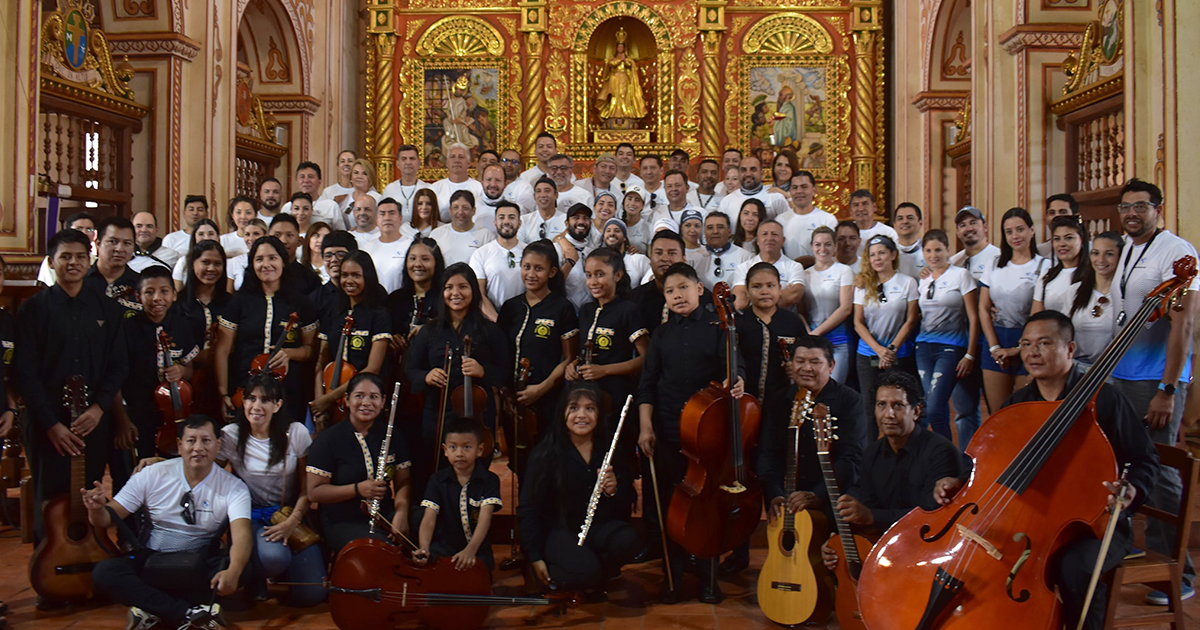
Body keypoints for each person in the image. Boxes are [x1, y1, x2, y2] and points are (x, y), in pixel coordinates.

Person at [934, 311, 1161, 628]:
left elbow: (1145, 459)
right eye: (1026, 344)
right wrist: (959, 482)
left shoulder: (1104, 400)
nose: (1032, 352)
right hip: (1029, 523)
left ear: (1069, 349)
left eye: (1044, 343)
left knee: (1075, 567)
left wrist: (1132, 491)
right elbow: (988, 464)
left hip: (1093, 524)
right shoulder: (1017, 405)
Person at [1109, 178, 1200, 604]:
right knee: (1131, 462)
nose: (1131, 213)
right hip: (1124, 375)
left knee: (1162, 468)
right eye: (1125, 206)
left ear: (1158, 208)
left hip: (1155, 380)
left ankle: (1179, 571)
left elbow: (1183, 324)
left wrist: (1168, 387)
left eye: (1140, 206)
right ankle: (1145, 548)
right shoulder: (1129, 247)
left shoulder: (1176, 252)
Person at [637, 262, 746, 603]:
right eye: (670, 291)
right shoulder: (662, 334)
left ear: (699, 289)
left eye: (683, 287)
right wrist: (645, 427)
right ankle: (673, 573)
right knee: (670, 504)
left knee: (707, 505)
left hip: (708, 434)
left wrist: (738, 379)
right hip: (669, 430)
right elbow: (647, 384)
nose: (676, 295)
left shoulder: (719, 326)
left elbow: (735, 368)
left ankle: (707, 577)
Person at [16, 228, 129, 548]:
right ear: (51, 262)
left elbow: (119, 366)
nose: (73, 263)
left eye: (80, 256)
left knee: (89, 494)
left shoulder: (108, 309)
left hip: (92, 422)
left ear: (90, 259)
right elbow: (24, 373)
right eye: (65, 256)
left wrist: (98, 408)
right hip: (46, 423)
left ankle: (91, 565)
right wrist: (51, 424)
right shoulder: (33, 310)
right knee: (48, 499)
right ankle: (49, 576)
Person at [85, 415, 248, 630]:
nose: (198, 447)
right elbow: (107, 517)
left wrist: (234, 571)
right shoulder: (152, 474)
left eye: (206, 440)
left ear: (218, 445)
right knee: (105, 573)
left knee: (245, 568)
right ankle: (189, 613)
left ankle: (151, 608)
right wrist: (96, 509)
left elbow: (242, 535)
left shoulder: (234, 487)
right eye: (191, 441)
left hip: (197, 564)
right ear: (179, 446)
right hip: (152, 560)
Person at [820, 370, 962, 573]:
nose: (889, 414)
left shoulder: (940, 451)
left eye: (898, 405)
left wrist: (872, 517)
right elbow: (867, 505)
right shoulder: (871, 454)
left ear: (916, 411)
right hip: (887, 551)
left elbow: (932, 518)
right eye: (881, 405)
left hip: (933, 555)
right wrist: (836, 541)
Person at [519, 383, 642, 595]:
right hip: (557, 531)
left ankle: (591, 575)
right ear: (562, 413)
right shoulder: (546, 453)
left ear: (599, 413)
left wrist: (613, 490)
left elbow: (627, 501)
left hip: (596, 528)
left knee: (628, 540)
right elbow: (527, 508)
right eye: (574, 408)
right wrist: (535, 556)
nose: (581, 415)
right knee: (587, 572)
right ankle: (552, 574)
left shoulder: (609, 449)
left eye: (590, 408)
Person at [758, 335, 864, 573]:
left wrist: (816, 495)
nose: (806, 368)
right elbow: (767, 453)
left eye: (815, 362)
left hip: (833, 498)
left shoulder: (850, 401)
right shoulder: (778, 401)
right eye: (800, 361)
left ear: (831, 366)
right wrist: (774, 493)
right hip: (788, 500)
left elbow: (852, 459)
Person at [218, 373, 325, 606]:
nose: (256, 406)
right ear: (243, 402)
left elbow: (307, 490)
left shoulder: (296, 433)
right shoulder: (231, 435)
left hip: (290, 512)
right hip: (251, 514)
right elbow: (206, 470)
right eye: (250, 399)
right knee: (273, 558)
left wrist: (292, 522)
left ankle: (283, 570)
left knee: (312, 595)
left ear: (277, 405)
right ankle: (256, 575)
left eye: (265, 400)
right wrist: (157, 461)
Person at [405, 263, 508, 487]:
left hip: (478, 415)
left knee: (477, 474)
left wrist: (483, 371)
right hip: (438, 414)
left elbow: (505, 372)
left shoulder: (489, 330)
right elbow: (410, 369)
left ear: (473, 290)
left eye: (463, 287)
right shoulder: (429, 331)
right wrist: (426, 376)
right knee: (435, 471)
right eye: (449, 287)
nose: (455, 293)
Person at [214, 236, 319, 425]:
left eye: (272, 258)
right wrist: (222, 393)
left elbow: (311, 349)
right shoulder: (240, 301)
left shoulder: (301, 303)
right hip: (244, 387)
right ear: (252, 264)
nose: (266, 264)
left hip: (288, 390)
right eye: (259, 259)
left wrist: (290, 353)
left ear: (283, 261)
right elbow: (222, 351)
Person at [111, 265, 199, 488]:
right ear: (138, 296)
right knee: (136, 473)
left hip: (173, 417)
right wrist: (123, 420)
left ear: (174, 294)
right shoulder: (127, 329)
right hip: (137, 413)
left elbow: (189, 369)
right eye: (149, 292)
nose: (157, 298)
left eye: (164, 291)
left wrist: (181, 371)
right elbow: (115, 377)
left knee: (173, 473)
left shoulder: (181, 326)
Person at [307, 373, 413, 551]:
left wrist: (401, 511)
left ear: (383, 401)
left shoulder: (392, 435)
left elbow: (404, 480)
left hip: (385, 514)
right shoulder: (328, 440)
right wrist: (358, 489)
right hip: (343, 520)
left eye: (374, 397)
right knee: (381, 548)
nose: (366, 403)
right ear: (347, 400)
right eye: (359, 396)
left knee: (429, 524)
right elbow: (314, 492)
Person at [498, 241, 579, 465]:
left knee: (546, 462)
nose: (531, 274)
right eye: (526, 267)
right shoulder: (510, 307)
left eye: (538, 268)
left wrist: (542, 388)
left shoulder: (562, 307)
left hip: (548, 399)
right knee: (518, 462)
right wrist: (505, 393)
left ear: (552, 272)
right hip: (513, 402)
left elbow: (570, 358)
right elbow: (500, 354)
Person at [569, 247, 647, 454]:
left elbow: (645, 359)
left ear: (618, 275)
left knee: (614, 452)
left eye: (600, 274)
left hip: (616, 394)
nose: (593, 281)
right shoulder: (586, 310)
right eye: (588, 275)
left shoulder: (628, 310)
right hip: (585, 394)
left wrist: (605, 370)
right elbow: (579, 351)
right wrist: (572, 366)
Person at [311, 251, 392, 429]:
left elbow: (373, 368)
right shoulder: (334, 313)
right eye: (345, 275)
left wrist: (330, 398)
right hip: (331, 400)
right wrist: (320, 405)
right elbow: (321, 361)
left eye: (356, 275)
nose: (349, 281)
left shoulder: (379, 315)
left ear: (368, 278)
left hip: (365, 400)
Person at [978, 207, 1046, 413]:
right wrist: (993, 347)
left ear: (1032, 230)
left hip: (1029, 343)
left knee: (1025, 413)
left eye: (1020, 229)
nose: (1015, 236)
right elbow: (983, 307)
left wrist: (1018, 349)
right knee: (998, 415)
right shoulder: (995, 264)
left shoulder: (1044, 265)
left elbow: (1037, 314)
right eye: (1009, 231)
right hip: (996, 339)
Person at [916, 229, 980, 444]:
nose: (933, 255)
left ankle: (951, 458)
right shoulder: (923, 279)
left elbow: (973, 316)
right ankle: (946, 463)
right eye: (928, 250)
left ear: (948, 250)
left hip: (951, 347)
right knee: (932, 408)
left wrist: (970, 354)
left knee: (935, 408)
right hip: (924, 347)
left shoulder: (960, 275)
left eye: (938, 250)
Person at [414, 418, 502, 571]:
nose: (459, 453)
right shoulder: (437, 480)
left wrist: (470, 550)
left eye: (467, 447)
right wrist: (424, 549)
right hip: (443, 549)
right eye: (453, 447)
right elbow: (429, 518)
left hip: (478, 551)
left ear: (479, 450)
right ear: (445, 450)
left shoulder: (490, 480)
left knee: (476, 581)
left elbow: (485, 519)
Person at [1031, 216, 1111, 367]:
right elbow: (1036, 317)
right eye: (1057, 239)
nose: (1062, 244)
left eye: (1069, 238)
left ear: (1081, 241)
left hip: (1090, 353)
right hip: (1050, 352)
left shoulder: (1095, 274)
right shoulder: (1048, 275)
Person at [853, 234, 920, 409]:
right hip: (868, 353)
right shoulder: (862, 285)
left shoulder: (908, 283)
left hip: (899, 353)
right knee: (869, 408)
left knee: (899, 405)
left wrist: (890, 350)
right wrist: (879, 350)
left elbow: (911, 319)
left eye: (881, 253)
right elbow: (858, 322)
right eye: (873, 254)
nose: (877, 258)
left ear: (893, 255)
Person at [179, 239, 231, 418]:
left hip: (226, 379)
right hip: (190, 381)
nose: (211, 269)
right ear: (193, 264)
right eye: (205, 262)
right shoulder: (178, 303)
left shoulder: (231, 303)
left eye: (217, 264)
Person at [804, 227, 855, 383]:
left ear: (835, 247)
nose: (822, 249)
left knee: (833, 388)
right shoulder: (805, 274)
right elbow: (800, 311)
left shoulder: (844, 271)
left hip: (839, 341)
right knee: (812, 387)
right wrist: (808, 333)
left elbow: (846, 308)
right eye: (818, 244)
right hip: (813, 343)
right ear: (812, 246)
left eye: (827, 244)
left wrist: (816, 332)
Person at [386, 237, 444, 359]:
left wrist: (428, 330)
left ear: (436, 263)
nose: (417, 264)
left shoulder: (446, 298)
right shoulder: (394, 299)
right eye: (412, 259)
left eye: (425, 259)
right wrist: (391, 337)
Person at [730, 220, 804, 311]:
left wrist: (753, 296)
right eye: (764, 234)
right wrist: (779, 294)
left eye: (774, 234)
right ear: (757, 240)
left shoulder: (794, 267)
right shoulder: (743, 268)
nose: (769, 238)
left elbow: (794, 296)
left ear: (783, 240)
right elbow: (740, 302)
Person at [469, 201, 524, 321]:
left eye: (511, 217)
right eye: (501, 217)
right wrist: (497, 320)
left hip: (524, 318)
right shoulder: (481, 253)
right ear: (495, 223)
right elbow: (479, 294)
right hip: (491, 320)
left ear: (519, 223)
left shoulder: (529, 252)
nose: (506, 221)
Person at [630, 230, 686, 334]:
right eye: (658, 253)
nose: (664, 258)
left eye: (672, 253)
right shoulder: (635, 298)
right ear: (650, 260)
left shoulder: (698, 298)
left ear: (684, 260)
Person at [779, 170, 838, 263]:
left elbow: (834, 253)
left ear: (814, 191)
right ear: (790, 191)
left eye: (804, 187)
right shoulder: (780, 220)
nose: (799, 191)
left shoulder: (828, 220)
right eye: (795, 187)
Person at [86, 215, 142, 311]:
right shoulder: (81, 281)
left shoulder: (141, 285)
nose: (120, 249)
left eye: (127, 243)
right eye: (113, 241)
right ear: (98, 244)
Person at [359, 197, 414, 293]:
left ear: (400, 218)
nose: (387, 218)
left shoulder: (410, 246)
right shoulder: (366, 248)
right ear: (377, 219)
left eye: (392, 213)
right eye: (382, 214)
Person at [430, 190, 496, 267]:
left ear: (473, 211)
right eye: (455, 207)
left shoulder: (486, 235)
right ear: (450, 210)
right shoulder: (437, 234)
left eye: (465, 208)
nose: (460, 212)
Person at [554, 203, 598, 309]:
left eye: (585, 218)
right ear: (566, 223)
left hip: (588, 314)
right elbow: (550, 285)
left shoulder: (592, 253)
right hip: (563, 312)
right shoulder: (556, 249)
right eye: (576, 218)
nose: (581, 222)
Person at [717, 155, 789, 220]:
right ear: (739, 174)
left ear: (762, 173)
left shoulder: (775, 198)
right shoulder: (727, 201)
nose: (748, 174)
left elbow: (787, 226)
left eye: (753, 169)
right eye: (743, 170)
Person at [37, 211, 98, 286]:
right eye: (79, 228)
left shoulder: (96, 261)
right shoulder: (54, 259)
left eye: (89, 229)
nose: (84, 232)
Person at [269, 213, 323, 296]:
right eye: (277, 235)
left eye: (289, 235)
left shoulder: (310, 279)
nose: (283, 241)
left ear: (299, 241)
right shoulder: (258, 275)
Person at [281, 162, 345, 230]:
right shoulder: (287, 207)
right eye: (302, 177)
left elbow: (341, 234)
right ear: (296, 181)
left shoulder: (331, 206)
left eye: (310, 176)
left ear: (319, 181)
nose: (306, 181)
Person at [380, 145, 434, 223]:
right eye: (404, 159)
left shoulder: (428, 189)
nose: (408, 162)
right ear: (398, 164)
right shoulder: (390, 189)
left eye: (412, 159)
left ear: (419, 163)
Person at [698, 211, 751, 290]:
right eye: (710, 228)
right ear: (704, 233)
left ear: (729, 231)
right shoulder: (695, 258)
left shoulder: (745, 256)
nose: (715, 231)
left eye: (720, 227)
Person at [599, 218, 650, 288]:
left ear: (624, 238)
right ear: (604, 237)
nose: (612, 233)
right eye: (608, 231)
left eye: (617, 231)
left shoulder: (639, 259)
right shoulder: (598, 260)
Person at [172, 219, 221, 290]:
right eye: (201, 234)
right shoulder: (183, 262)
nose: (206, 238)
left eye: (211, 234)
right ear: (194, 237)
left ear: (218, 237)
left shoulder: (226, 261)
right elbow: (177, 292)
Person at [518, 176, 567, 244]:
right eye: (538, 191)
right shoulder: (524, 220)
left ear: (556, 195)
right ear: (534, 196)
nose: (543, 195)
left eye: (547, 191)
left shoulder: (566, 220)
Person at [848, 190, 897, 256]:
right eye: (856, 205)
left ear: (874, 207)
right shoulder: (846, 232)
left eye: (865, 204)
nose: (861, 209)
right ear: (850, 210)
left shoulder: (888, 232)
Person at [226, 218, 268, 291]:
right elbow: (229, 294)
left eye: (256, 234)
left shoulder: (272, 261)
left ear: (265, 235)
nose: (251, 238)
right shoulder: (234, 262)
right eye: (247, 234)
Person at [1036, 193, 1079, 261]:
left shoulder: (1092, 249)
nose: (1056, 216)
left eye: (1063, 212)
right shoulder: (1040, 252)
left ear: (1076, 216)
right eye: (1052, 213)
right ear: (1046, 218)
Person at [497, 148, 537, 214]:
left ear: (520, 168)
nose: (509, 164)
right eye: (505, 160)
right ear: (498, 163)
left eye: (514, 162)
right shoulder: (492, 184)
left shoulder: (524, 188)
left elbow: (523, 214)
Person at [893, 202, 926, 278]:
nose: (905, 222)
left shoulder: (929, 251)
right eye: (900, 218)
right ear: (895, 225)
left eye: (910, 218)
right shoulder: (889, 252)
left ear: (920, 223)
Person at [620, 186, 651, 254]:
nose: (632, 203)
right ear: (624, 202)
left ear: (642, 205)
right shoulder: (617, 225)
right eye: (629, 199)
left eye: (637, 200)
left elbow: (651, 257)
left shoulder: (648, 228)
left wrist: (638, 255)